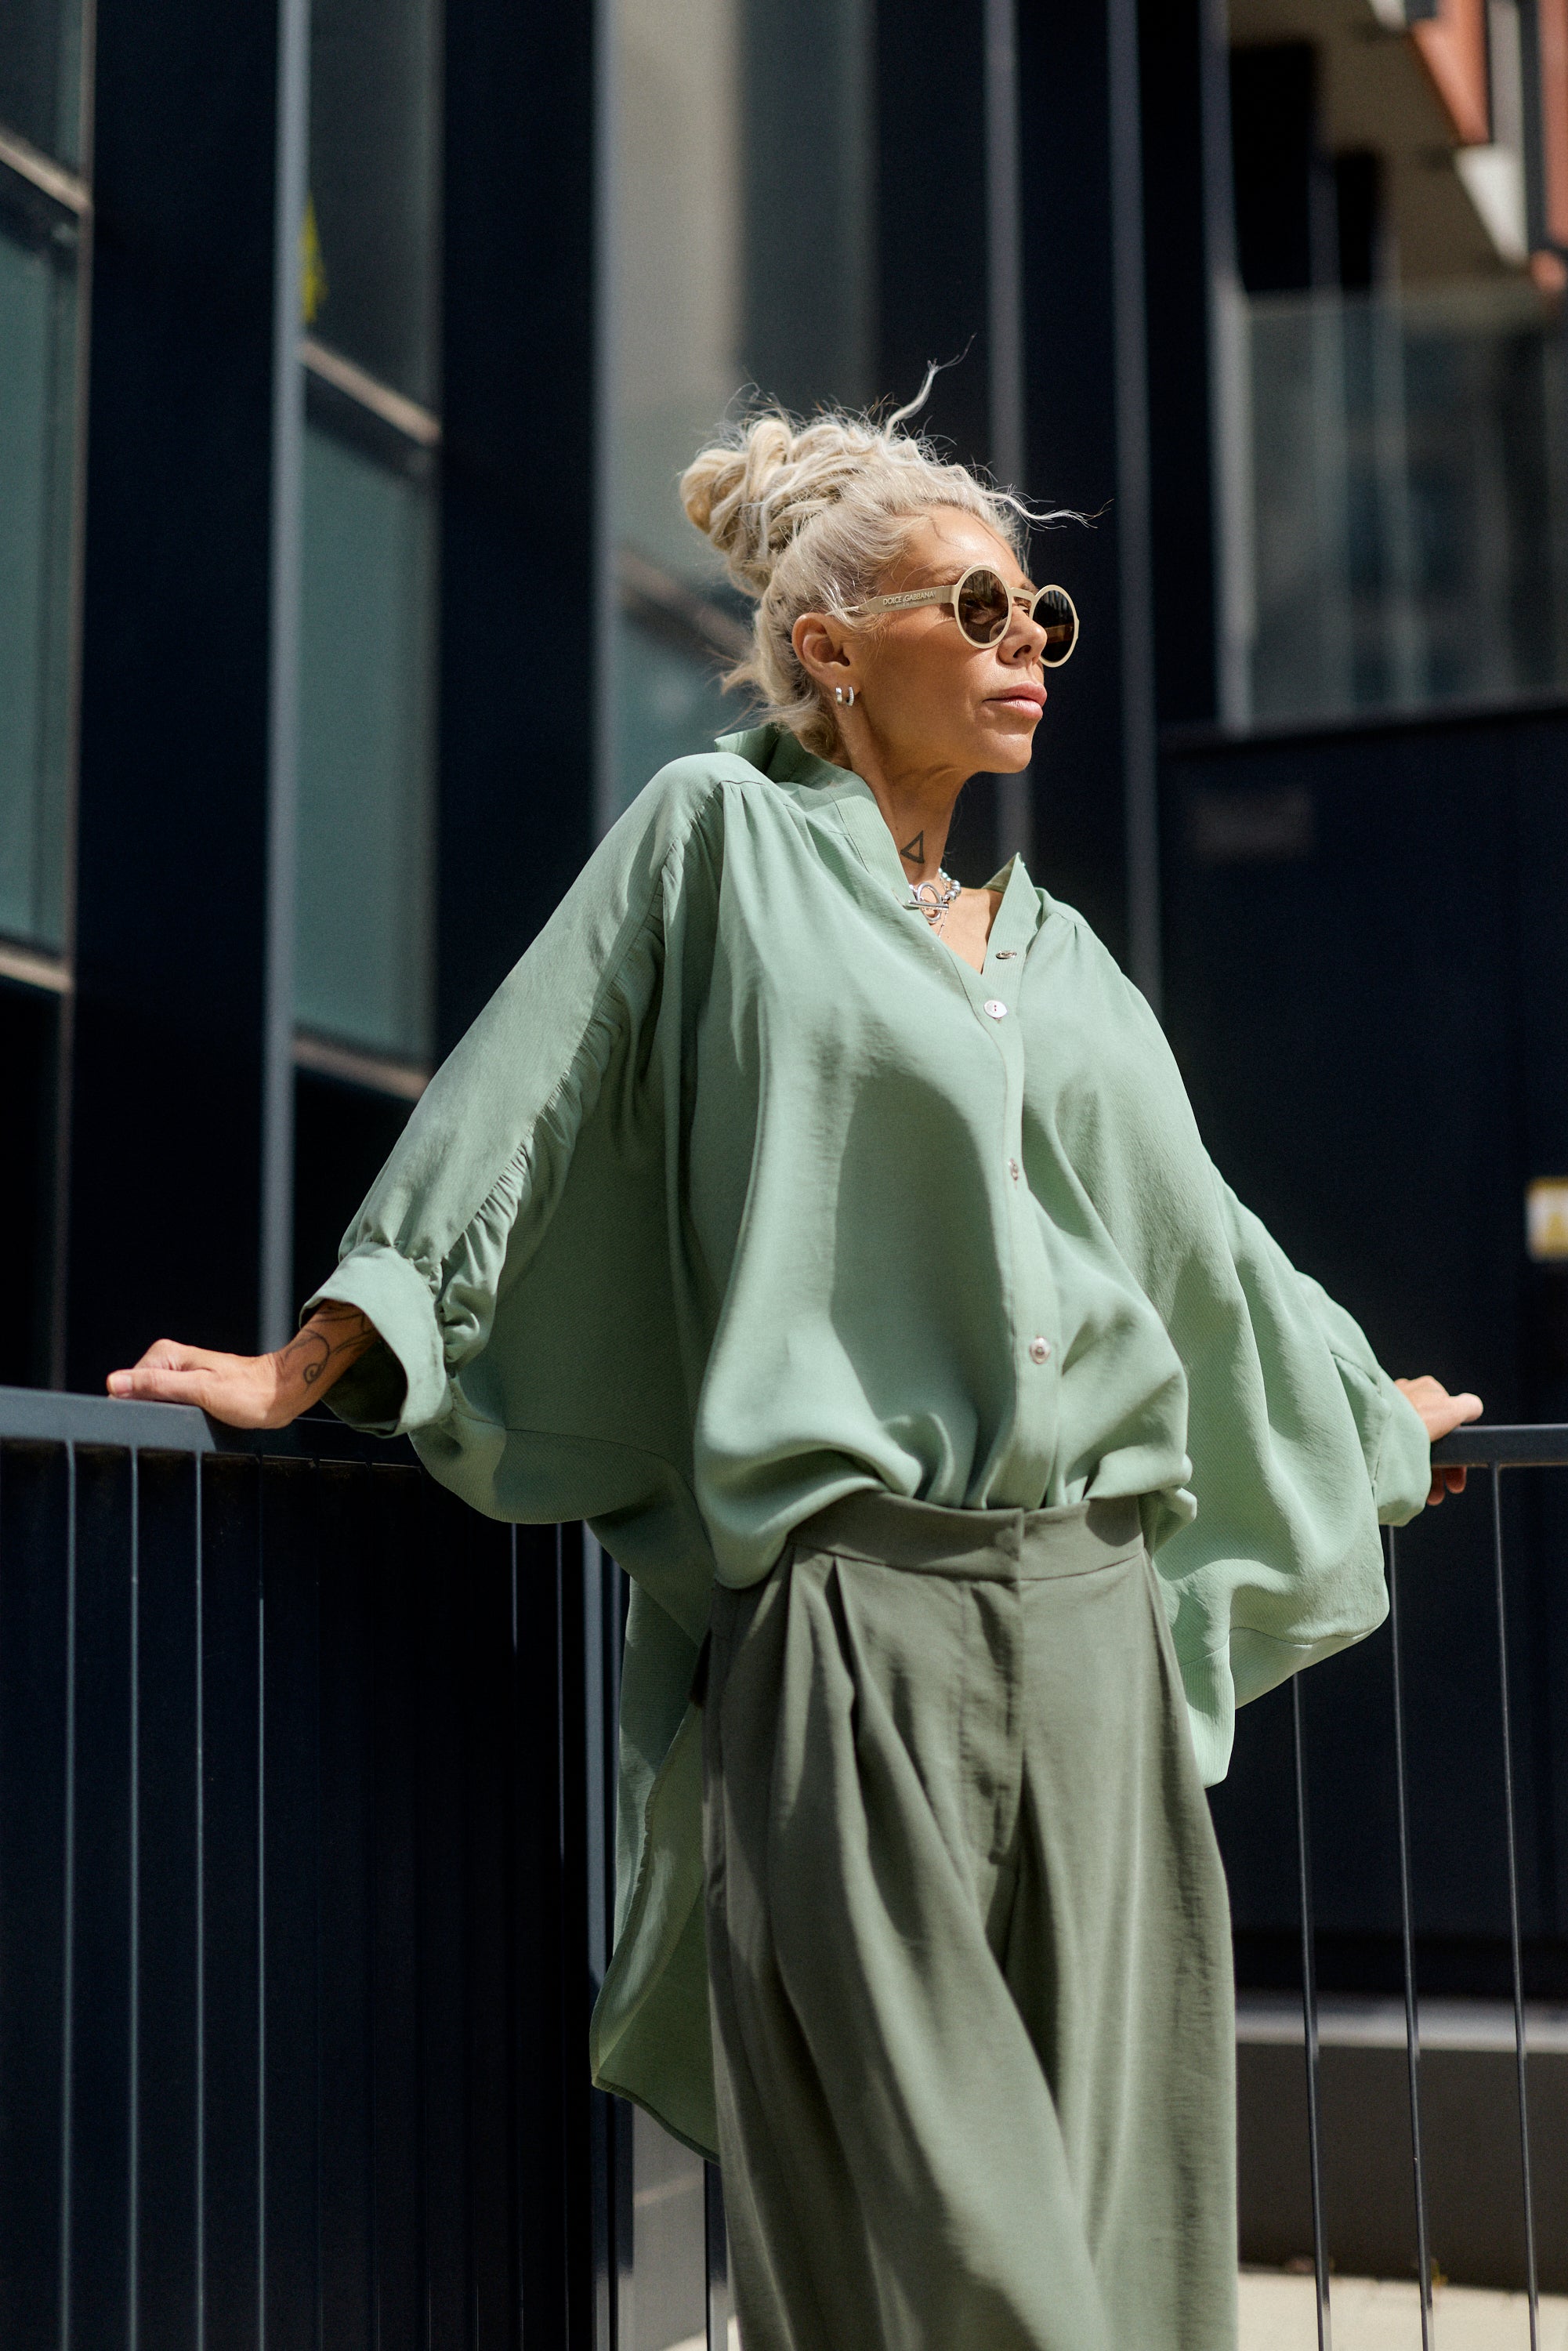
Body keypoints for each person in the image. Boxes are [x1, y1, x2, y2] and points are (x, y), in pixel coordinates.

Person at [110, 391, 1481, 2351]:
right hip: (849, 1632)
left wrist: (1365, 1422)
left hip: (1094, 1636)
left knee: (1125, 2239)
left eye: (1045, 622)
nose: (1027, 650)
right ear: (831, 652)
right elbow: (525, 1090)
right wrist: (323, 1352)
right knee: (963, 2251)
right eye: (983, 608)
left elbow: (1200, 1253)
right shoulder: (717, 842)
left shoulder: (1066, 961)